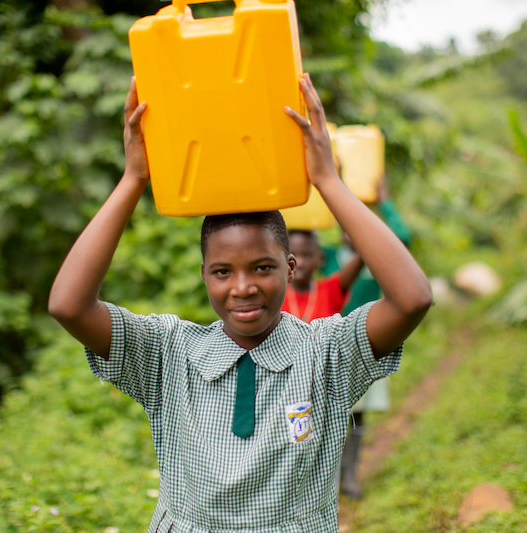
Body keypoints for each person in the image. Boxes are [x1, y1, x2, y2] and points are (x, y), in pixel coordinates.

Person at [48, 73, 432, 532]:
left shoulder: (326, 352)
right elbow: (69, 306)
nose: (243, 287)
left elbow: (412, 300)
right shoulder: (169, 352)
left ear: (291, 267)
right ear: (205, 276)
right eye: (223, 272)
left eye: (262, 268)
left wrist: (327, 180)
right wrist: (133, 179)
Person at [322, 177, 413, 500]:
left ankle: (350, 476)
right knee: (327, 414)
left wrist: (383, 201)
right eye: (346, 225)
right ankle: (328, 481)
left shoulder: (377, 261)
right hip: (329, 348)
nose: (351, 233)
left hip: (364, 348)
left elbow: (401, 238)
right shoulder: (326, 256)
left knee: (357, 415)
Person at [281, 230, 363, 322]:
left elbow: (364, 252)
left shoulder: (329, 290)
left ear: (320, 259)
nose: (299, 263)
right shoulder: (276, 292)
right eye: (292, 255)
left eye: (306, 255)